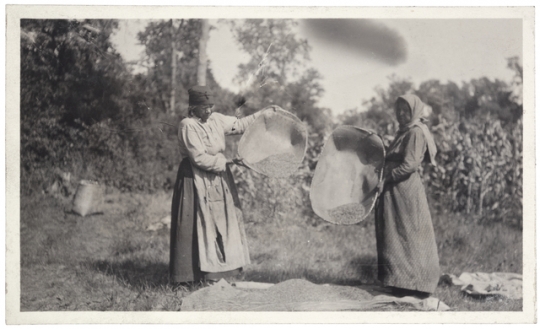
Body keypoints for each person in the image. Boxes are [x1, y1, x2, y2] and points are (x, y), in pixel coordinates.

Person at [170, 85, 261, 285]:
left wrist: (264, 114)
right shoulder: (188, 125)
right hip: (194, 178)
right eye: (204, 107)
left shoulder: (216, 119)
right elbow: (199, 158)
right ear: (193, 107)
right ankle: (190, 276)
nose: (209, 110)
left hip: (218, 177)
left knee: (222, 220)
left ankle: (221, 272)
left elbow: (240, 124)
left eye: (211, 106)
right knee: (196, 222)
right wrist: (227, 162)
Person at [375, 94, 440, 299]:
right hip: (395, 190)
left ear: (415, 112)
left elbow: (410, 165)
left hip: (404, 190)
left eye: (406, 110)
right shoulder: (404, 132)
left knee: (408, 233)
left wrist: (387, 178)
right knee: (395, 234)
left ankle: (414, 283)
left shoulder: (415, 132)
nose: (402, 114)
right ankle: (399, 281)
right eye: (399, 110)